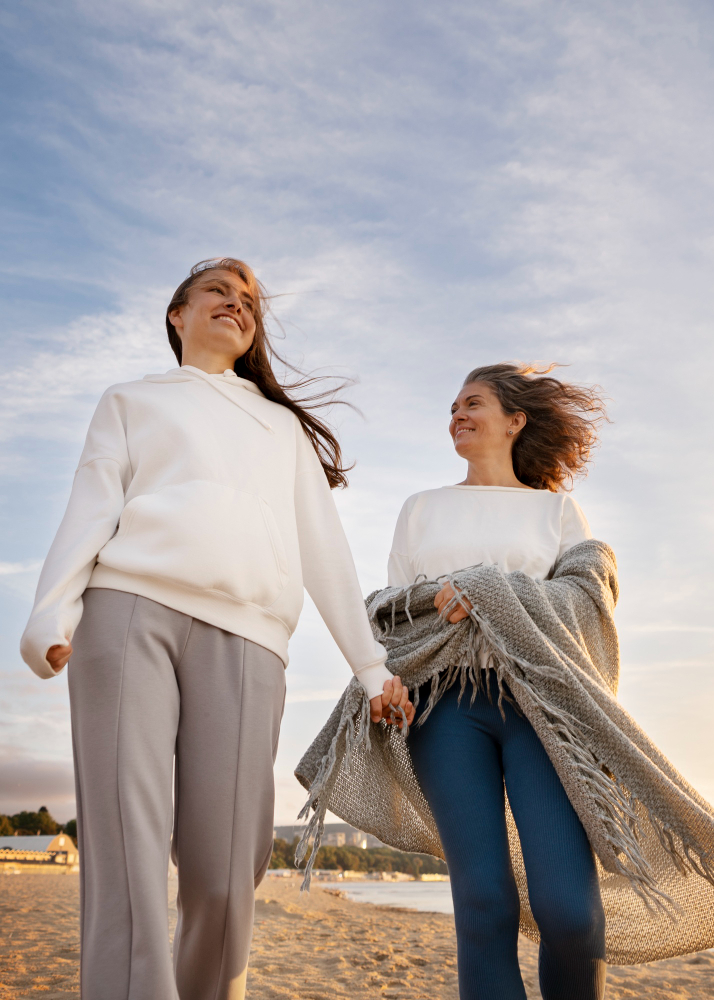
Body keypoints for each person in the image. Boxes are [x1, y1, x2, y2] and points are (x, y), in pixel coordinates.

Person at [20, 257, 413, 1000]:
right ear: (177, 313)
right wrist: (49, 616)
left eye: (248, 303)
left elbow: (323, 550)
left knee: (227, 871)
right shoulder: (131, 400)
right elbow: (89, 507)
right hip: (125, 612)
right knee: (128, 854)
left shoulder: (280, 428)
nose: (236, 307)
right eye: (217, 294)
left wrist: (369, 666)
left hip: (250, 638)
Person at [386, 363, 607, 999]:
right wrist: (389, 675)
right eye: (452, 405)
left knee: (570, 911)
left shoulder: (558, 511)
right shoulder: (421, 508)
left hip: (543, 706)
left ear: (515, 421)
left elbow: (586, 603)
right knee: (484, 904)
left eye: (472, 402)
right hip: (445, 709)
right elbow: (396, 609)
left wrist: (488, 589)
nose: (456, 413)